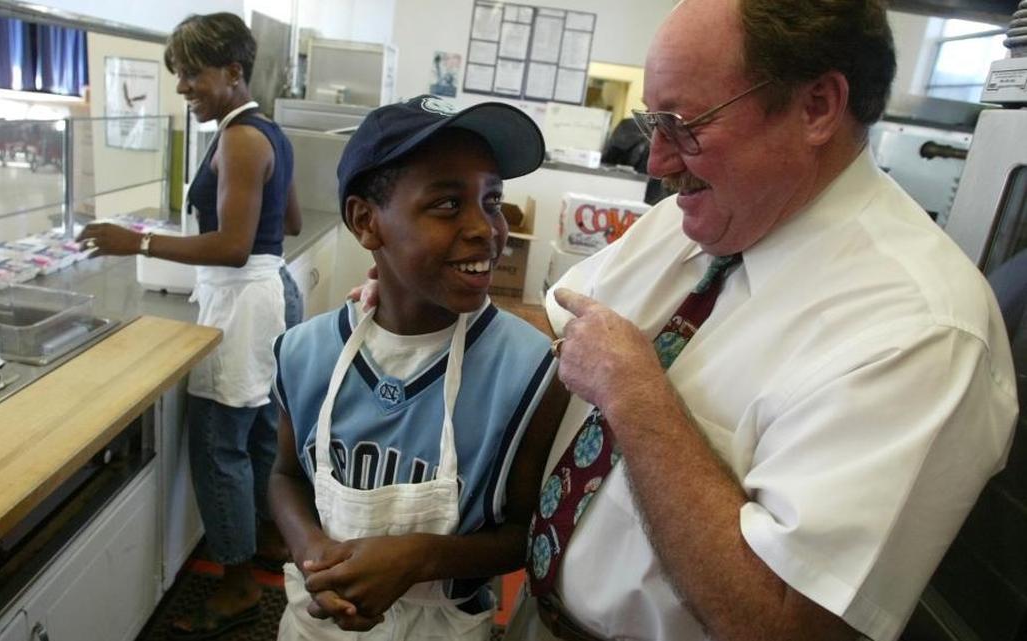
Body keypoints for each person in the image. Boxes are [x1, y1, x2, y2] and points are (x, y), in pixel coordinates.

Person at [503, 1, 1018, 640]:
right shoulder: (694, 220)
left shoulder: (922, 332)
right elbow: (558, 333)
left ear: (818, 107)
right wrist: (437, 310)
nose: (656, 161)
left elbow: (780, 623)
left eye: (684, 125)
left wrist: (637, 397)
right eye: (651, 121)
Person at [268, 95, 569, 640]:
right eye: (448, 205)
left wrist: (420, 557)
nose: (486, 228)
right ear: (367, 221)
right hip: (315, 621)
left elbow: (526, 531)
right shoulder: (304, 353)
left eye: (493, 200)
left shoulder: (530, 373)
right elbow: (286, 476)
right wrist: (314, 552)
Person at [77, 12, 303, 639]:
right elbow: (287, 225)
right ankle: (264, 543)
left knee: (217, 446)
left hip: (240, 302)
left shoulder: (238, 139)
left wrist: (139, 241)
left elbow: (232, 247)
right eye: (178, 76)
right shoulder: (266, 132)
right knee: (258, 435)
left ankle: (234, 591)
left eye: (191, 76)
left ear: (233, 72)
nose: (182, 88)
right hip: (268, 295)